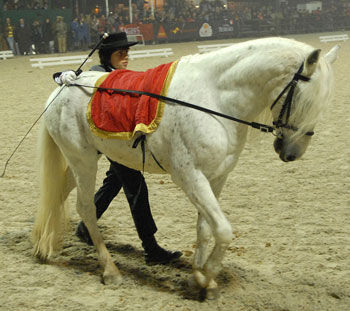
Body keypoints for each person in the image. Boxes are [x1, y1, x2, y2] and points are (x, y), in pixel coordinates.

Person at [53, 32, 182, 265]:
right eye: (120, 54)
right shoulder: (98, 73)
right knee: (136, 187)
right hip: (101, 136)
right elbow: (72, 79)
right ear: (106, 56)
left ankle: (84, 228)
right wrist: (62, 75)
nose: (126, 57)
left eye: (127, 53)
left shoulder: (122, 74)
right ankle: (150, 248)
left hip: (116, 139)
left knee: (114, 181)